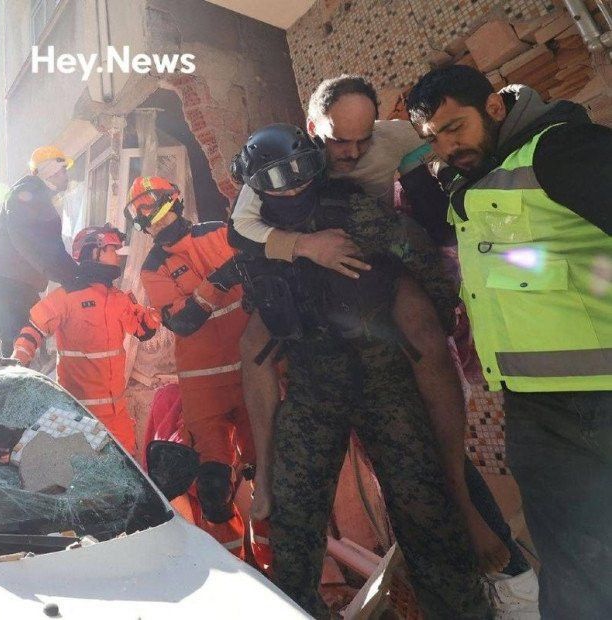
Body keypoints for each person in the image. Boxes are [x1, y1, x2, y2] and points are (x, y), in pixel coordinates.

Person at [230, 75, 537, 610]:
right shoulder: (256, 225)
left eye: (361, 140)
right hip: (314, 386)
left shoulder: (361, 206)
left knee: (428, 513)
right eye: (338, 142)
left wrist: (432, 303)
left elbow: (421, 261)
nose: (350, 153)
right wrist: (268, 474)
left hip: (385, 379)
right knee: (292, 528)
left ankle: (483, 589)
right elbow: (256, 332)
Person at [407, 64, 612, 619]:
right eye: (434, 139)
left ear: (495, 107)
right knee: (573, 569)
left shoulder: (561, 150)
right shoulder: (479, 182)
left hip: (598, 400)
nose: (448, 147)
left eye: (456, 127)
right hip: (535, 408)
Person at [132, 176, 267, 562]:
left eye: (159, 213)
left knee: (269, 475)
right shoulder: (153, 268)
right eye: (148, 220)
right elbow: (184, 322)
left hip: (253, 373)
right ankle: (230, 569)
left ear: (174, 203)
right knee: (212, 488)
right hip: (204, 385)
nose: (156, 224)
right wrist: (217, 282)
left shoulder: (219, 232)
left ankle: (275, 568)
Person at [11, 224, 159, 454]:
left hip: (117, 416)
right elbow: (33, 330)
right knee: (77, 468)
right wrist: (17, 362)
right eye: (112, 249)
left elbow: (143, 330)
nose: (118, 255)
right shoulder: (66, 296)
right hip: (78, 415)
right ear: (94, 252)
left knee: (126, 468)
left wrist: (160, 312)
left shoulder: (118, 298)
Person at [0, 146, 77, 357]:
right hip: (11, 285)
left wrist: (70, 272)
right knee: (19, 348)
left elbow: (48, 245)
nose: (66, 175)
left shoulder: (36, 197)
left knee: (28, 345)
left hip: (16, 283)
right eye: (63, 170)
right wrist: (72, 275)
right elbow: (37, 244)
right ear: (50, 170)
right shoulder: (26, 196)